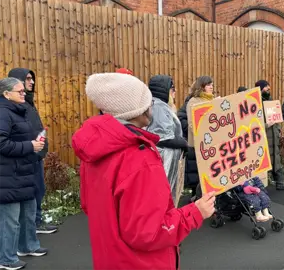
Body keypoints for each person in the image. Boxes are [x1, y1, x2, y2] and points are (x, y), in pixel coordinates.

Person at [71, 73, 215, 270]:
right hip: (142, 263)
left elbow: (89, 205)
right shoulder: (139, 160)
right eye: (146, 101)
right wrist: (195, 212)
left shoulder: (96, 150)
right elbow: (150, 233)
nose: (151, 106)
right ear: (135, 110)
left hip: (110, 258)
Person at [0, 77, 48, 270]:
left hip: (24, 172)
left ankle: (27, 246)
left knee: (28, 212)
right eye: (19, 91)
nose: (24, 93)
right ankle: (6, 259)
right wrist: (29, 145)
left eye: (23, 91)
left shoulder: (19, 111)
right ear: (6, 94)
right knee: (10, 220)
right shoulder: (3, 113)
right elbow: (1, 143)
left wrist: (34, 143)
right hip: (8, 176)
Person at [7, 68, 58, 234]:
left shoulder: (28, 102)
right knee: (31, 192)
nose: (32, 82)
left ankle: (35, 223)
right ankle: (31, 227)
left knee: (38, 189)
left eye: (32, 79)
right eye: (28, 79)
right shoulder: (15, 105)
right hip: (25, 156)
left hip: (35, 155)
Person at [241, 80, 284, 191]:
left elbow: (276, 118)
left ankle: (280, 182)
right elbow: (251, 123)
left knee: (276, 159)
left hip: (273, 135)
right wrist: (265, 125)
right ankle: (261, 185)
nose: (268, 88)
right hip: (263, 137)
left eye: (268, 86)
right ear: (260, 88)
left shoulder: (270, 101)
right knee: (263, 161)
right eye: (266, 87)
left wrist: (278, 129)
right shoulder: (254, 103)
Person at [147, 75, 188, 205]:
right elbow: (162, 136)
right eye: (172, 89)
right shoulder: (158, 106)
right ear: (164, 90)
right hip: (164, 158)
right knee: (162, 196)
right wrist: (183, 143)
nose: (174, 92)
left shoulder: (161, 105)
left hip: (167, 158)